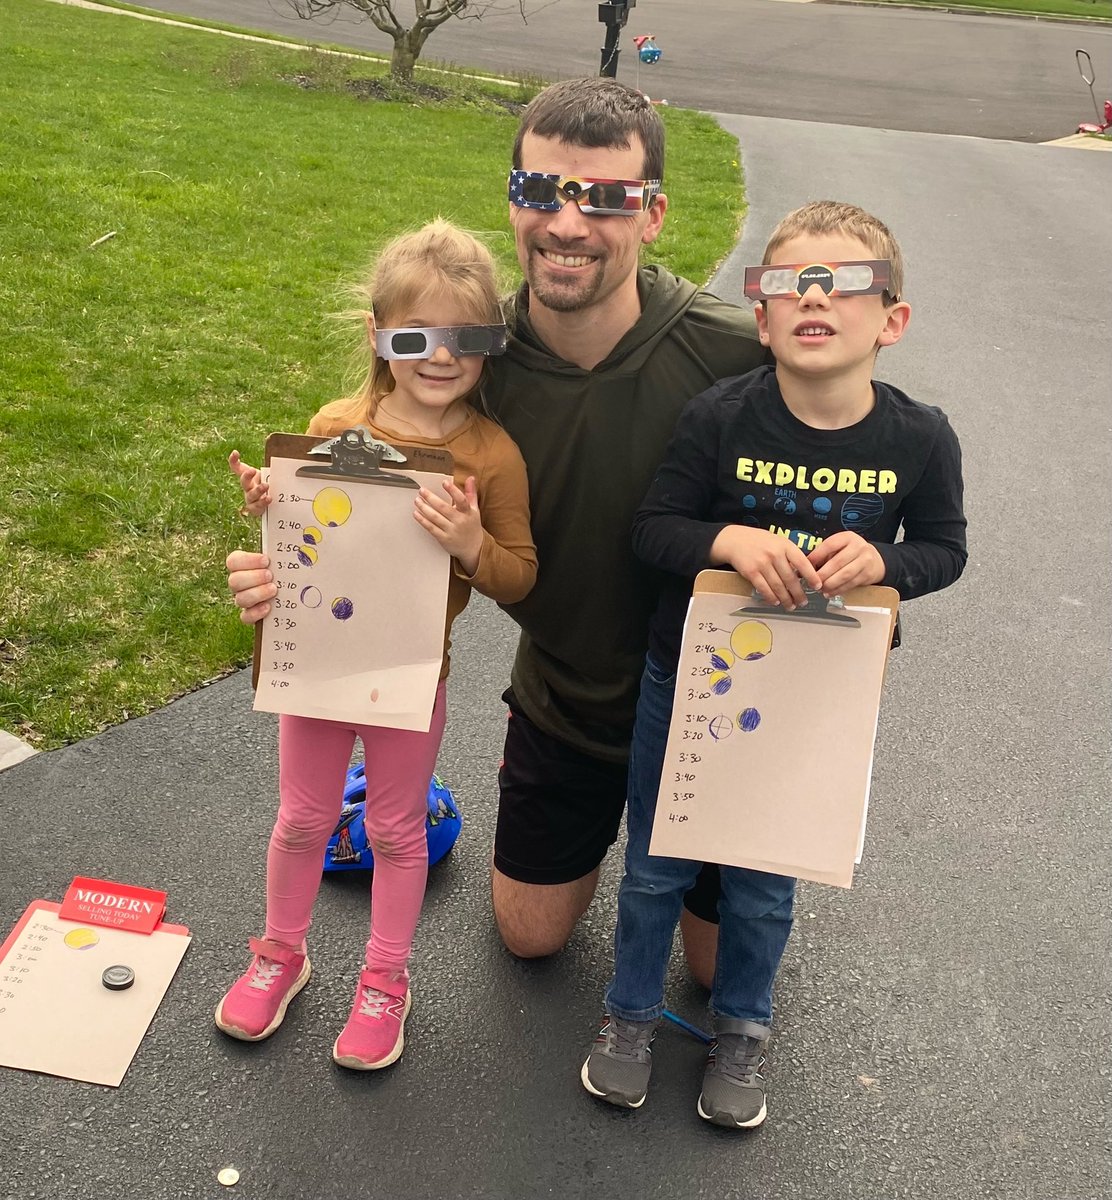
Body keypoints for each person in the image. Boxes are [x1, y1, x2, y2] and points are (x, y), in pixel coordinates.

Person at [226, 77, 767, 978]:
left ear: (656, 213)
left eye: (603, 198)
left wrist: (854, 608)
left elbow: (845, 444)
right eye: (539, 191)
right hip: (568, 702)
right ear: (512, 201)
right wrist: (286, 574)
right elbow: (363, 470)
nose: (566, 222)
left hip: (702, 703)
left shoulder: (732, 354)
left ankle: (722, 853)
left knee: (717, 973)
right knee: (528, 935)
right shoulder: (473, 361)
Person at [580, 200, 968, 1128]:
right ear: (762, 318)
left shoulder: (919, 438)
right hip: (693, 682)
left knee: (763, 880)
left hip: (813, 699)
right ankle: (630, 1015)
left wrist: (887, 563)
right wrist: (728, 541)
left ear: (893, 320)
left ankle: (744, 1028)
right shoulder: (719, 418)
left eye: (842, 284)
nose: (814, 299)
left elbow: (946, 550)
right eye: (790, 283)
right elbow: (654, 529)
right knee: (654, 864)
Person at [215, 220, 537, 1070]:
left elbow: (518, 576)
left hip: (409, 674)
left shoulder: (491, 455)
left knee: (396, 830)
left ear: (489, 345)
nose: (440, 357)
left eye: (466, 339)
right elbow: (308, 533)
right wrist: (271, 508)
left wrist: (470, 542)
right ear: (376, 333)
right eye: (414, 336)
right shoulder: (335, 422)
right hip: (319, 662)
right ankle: (279, 954)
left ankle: (385, 980)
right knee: (303, 820)